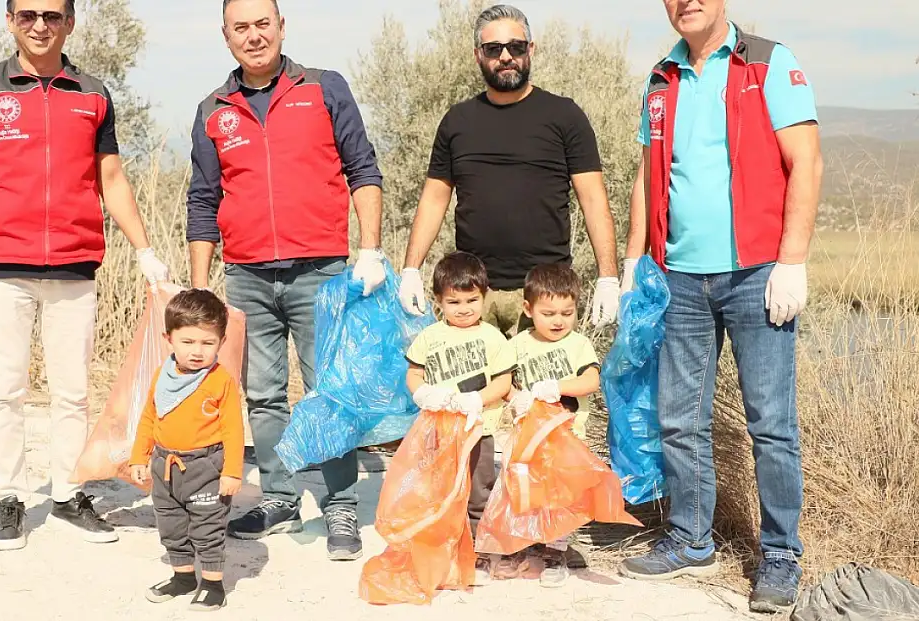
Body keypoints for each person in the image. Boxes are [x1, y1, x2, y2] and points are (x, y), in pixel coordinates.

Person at [0, 0, 170, 551]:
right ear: (11, 21)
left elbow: (111, 176)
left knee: (72, 390)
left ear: (70, 22)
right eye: (28, 14)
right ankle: (9, 495)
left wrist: (144, 249)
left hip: (73, 259)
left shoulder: (93, 94)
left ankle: (67, 491)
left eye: (52, 15)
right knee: (5, 388)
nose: (40, 25)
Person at [618, 1, 823, 615]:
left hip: (758, 272)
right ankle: (690, 538)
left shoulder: (767, 62)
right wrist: (633, 263)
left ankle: (781, 554)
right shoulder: (661, 76)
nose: (685, 0)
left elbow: (805, 162)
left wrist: (793, 260)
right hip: (678, 278)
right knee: (680, 418)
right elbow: (648, 175)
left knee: (771, 424)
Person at [185, 0, 385, 561]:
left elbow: (362, 169)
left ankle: (342, 503)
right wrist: (202, 292)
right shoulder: (212, 110)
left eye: (262, 25)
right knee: (264, 396)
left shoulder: (324, 87)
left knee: (330, 394)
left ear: (281, 27)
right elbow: (202, 201)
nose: (253, 37)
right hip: (246, 275)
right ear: (225, 36)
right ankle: (278, 495)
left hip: (322, 272)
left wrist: (369, 250)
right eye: (240, 28)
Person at [398, 4, 621, 335]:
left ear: (531, 50)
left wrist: (608, 277)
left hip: (544, 295)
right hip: (472, 295)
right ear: (478, 55)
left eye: (516, 47)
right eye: (494, 49)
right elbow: (434, 199)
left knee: (547, 389)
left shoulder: (564, 116)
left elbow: (593, 200)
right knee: (474, 389)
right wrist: (410, 271)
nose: (505, 56)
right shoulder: (457, 121)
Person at [129, 289, 245, 611]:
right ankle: (182, 577)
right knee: (172, 526)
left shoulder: (221, 380)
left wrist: (233, 471)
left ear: (221, 342)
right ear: (169, 339)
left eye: (207, 343)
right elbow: (150, 416)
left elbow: (233, 430)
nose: (197, 351)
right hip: (165, 466)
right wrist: (139, 456)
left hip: (206, 468)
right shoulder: (161, 375)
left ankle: (212, 583)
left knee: (207, 528)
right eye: (188, 342)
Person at [406, 251, 517, 584]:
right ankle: (442, 546)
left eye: (472, 299)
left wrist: (477, 399)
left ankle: (480, 549)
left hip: (479, 428)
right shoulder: (429, 337)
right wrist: (424, 393)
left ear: (485, 296)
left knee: (479, 489)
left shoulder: (493, 338)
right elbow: (414, 373)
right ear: (438, 301)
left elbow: (504, 381)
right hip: (440, 430)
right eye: (454, 301)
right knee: (439, 488)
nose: (464, 308)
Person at [501, 263, 601, 587]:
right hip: (528, 437)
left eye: (567, 312)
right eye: (549, 313)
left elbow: (591, 380)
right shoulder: (517, 345)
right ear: (528, 309)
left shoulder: (578, 344)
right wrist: (517, 398)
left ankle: (555, 551)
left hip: (568, 436)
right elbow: (505, 383)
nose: (559, 320)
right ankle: (526, 542)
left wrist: (558, 387)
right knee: (527, 491)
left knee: (562, 495)